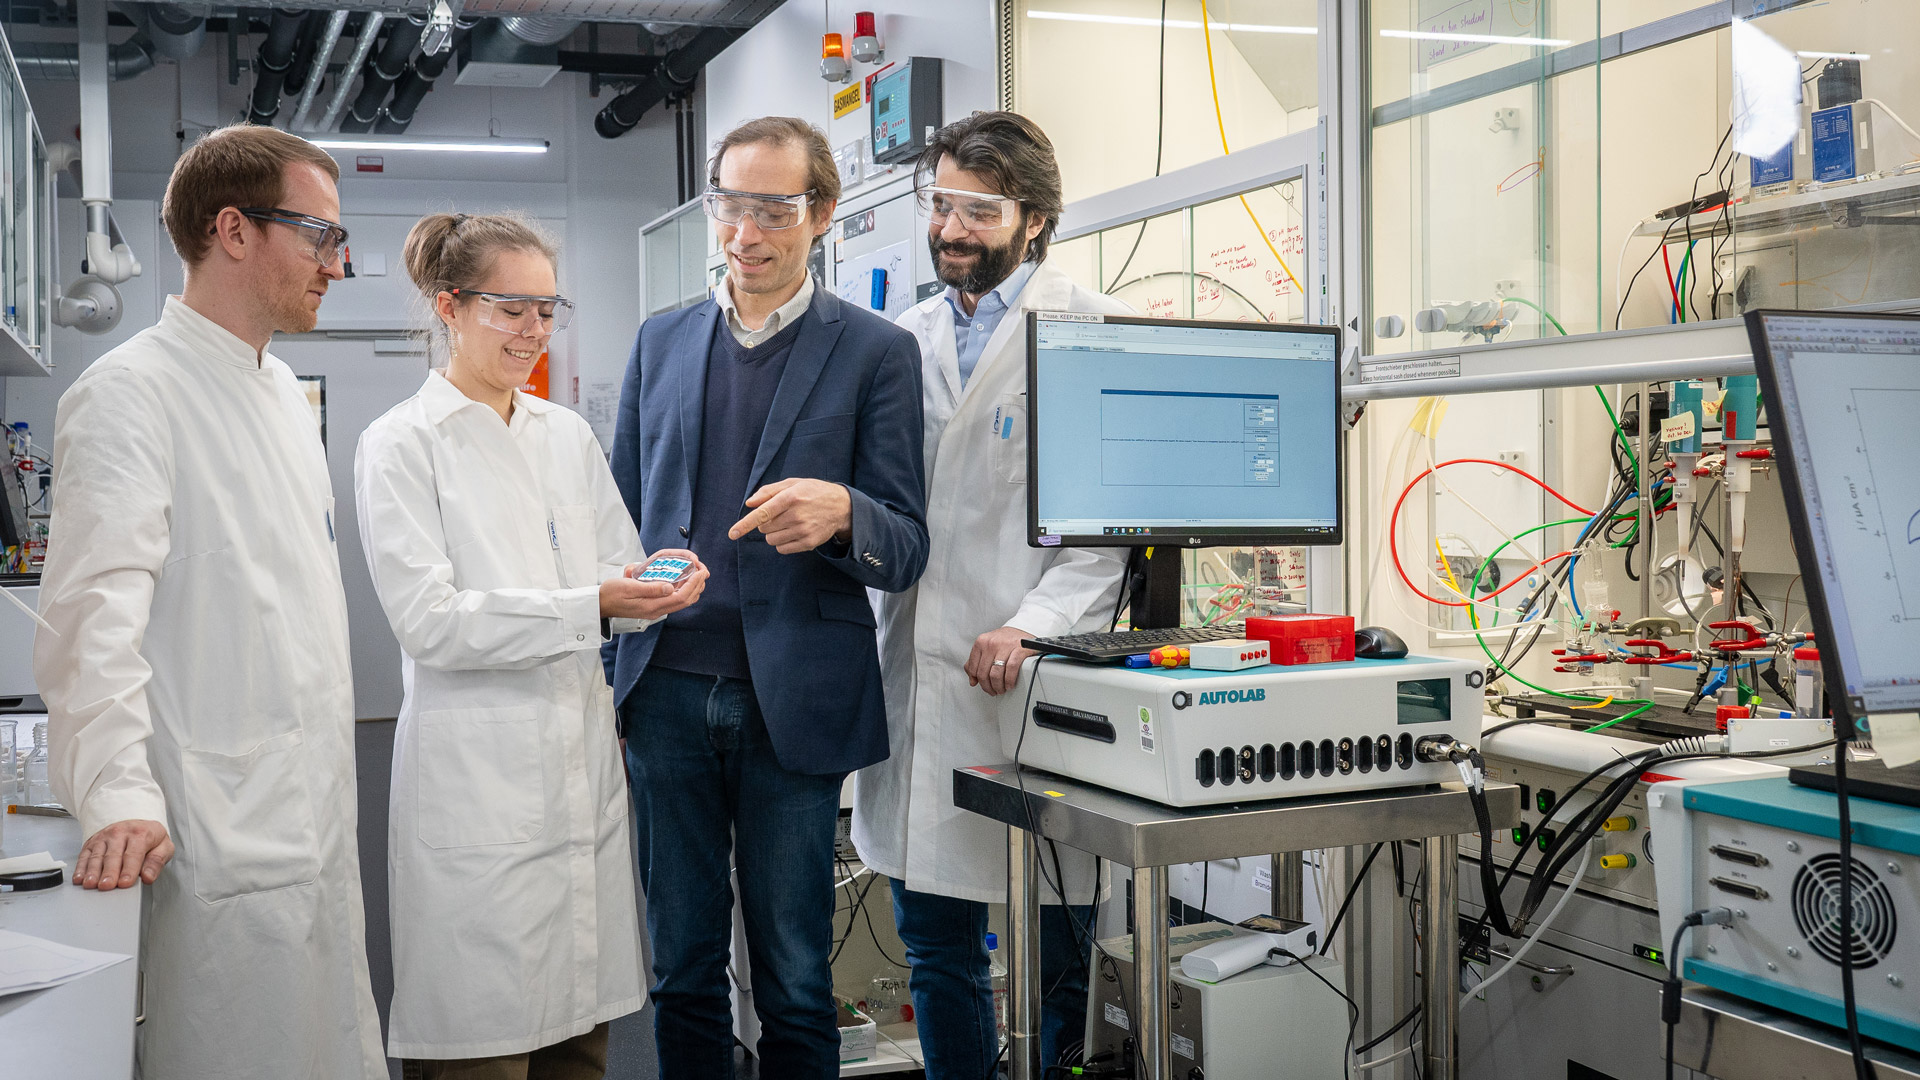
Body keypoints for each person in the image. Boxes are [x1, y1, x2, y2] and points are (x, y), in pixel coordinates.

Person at [33, 124, 385, 1078]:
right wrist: (116, 795)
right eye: (319, 236)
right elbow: (90, 624)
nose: (337, 264)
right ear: (233, 230)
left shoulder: (281, 393)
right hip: (215, 821)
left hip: (309, 800)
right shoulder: (130, 393)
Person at [604, 115, 929, 1079]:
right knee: (682, 967)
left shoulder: (874, 351)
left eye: (773, 211)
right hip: (665, 691)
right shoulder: (661, 342)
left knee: (793, 975)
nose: (744, 234)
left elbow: (905, 544)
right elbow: (616, 522)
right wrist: (609, 674)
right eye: (729, 205)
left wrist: (844, 514)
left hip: (795, 700)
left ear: (821, 214)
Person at [356, 213, 707, 1079]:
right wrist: (593, 604)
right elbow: (431, 621)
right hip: (476, 785)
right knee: (486, 1049)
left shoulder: (564, 434)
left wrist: (652, 590)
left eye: (548, 310)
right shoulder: (402, 443)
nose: (534, 330)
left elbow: (611, 572)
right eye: (511, 309)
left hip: (576, 773)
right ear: (450, 306)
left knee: (578, 1047)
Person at [851, 111, 1132, 1077]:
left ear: (1035, 219)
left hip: (1032, 679)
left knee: (1060, 956)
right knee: (937, 951)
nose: (952, 229)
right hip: (918, 673)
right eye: (941, 205)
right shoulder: (905, 338)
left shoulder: (1090, 330)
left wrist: (1030, 625)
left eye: (980, 210)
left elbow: (1106, 541)